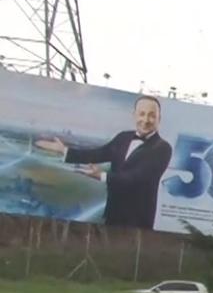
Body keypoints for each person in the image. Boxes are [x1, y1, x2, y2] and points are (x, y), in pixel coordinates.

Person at [35, 95, 173, 229]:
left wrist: (101, 176)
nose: (146, 119)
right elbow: (98, 153)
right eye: (142, 114)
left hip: (138, 221)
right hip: (113, 214)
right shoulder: (123, 137)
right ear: (134, 115)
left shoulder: (162, 148)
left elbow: (136, 178)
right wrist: (64, 150)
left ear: (159, 119)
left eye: (151, 115)